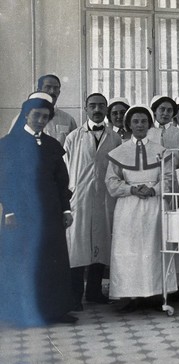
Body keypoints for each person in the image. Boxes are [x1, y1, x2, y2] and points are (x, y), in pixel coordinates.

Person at [0, 92, 76, 326]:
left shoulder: (53, 146)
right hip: (21, 214)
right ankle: (21, 314)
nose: (41, 120)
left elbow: (62, 181)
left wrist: (66, 210)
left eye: (45, 117)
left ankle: (56, 311)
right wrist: (9, 211)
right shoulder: (8, 144)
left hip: (51, 212)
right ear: (25, 115)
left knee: (53, 260)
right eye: (37, 116)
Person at [105, 105, 177, 312]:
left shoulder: (162, 151)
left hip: (154, 205)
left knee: (154, 248)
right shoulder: (118, 152)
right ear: (129, 124)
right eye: (135, 121)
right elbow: (110, 181)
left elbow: (169, 179)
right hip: (128, 207)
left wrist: (153, 190)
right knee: (129, 250)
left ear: (149, 124)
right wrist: (131, 189)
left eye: (143, 121)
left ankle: (157, 295)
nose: (139, 125)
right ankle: (128, 296)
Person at [64, 93, 122, 311]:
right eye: (93, 105)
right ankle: (74, 296)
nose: (97, 109)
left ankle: (95, 292)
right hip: (79, 198)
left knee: (101, 244)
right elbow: (66, 168)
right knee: (77, 247)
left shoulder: (115, 138)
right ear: (86, 109)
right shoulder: (73, 137)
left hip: (105, 197)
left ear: (106, 109)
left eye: (101, 105)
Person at [35, 74, 78, 145]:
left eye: (55, 88)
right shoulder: (23, 119)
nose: (52, 91)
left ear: (59, 93)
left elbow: (75, 148)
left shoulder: (68, 120)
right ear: (39, 91)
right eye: (48, 87)